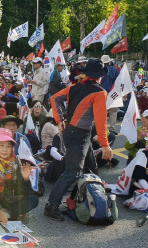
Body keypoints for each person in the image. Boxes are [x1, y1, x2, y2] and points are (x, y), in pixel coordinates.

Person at [44, 58, 112, 221]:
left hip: (76, 132)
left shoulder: (75, 87)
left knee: (91, 165)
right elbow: (101, 120)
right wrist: (104, 144)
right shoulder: (99, 92)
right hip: (78, 135)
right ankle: (51, 206)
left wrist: (60, 120)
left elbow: (54, 99)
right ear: (100, 75)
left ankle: (97, 193)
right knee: (72, 172)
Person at [0, 128, 40, 224]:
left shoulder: (15, 162)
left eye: (8, 146)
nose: (5, 150)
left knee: (33, 200)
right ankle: (8, 213)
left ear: (12, 148)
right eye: (1, 145)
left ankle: (4, 215)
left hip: (8, 198)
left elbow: (20, 191)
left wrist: (25, 179)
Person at [100, 55, 119, 131]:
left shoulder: (99, 70)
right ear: (109, 61)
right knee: (113, 112)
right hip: (112, 93)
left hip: (101, 93)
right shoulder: (114, 70)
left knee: (101, 112)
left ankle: (102, 128)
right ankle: (112, 128)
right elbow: (118, 81)